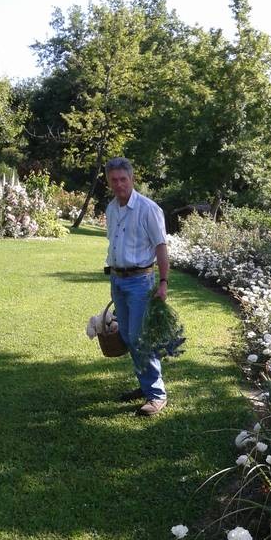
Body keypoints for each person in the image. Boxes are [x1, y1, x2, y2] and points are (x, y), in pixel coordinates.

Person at [104, 157, 169, 416]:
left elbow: (161, 247)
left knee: (140, 338)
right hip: (118, 280)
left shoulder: (148, 209)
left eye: (123, 179)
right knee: (129, 337)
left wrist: (163, 283)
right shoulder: (111, 208)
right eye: (114, 180)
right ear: (108, 182)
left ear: (132, 179)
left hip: (141, 281)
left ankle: (156, 394)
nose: (119, 184)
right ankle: (145, 386)